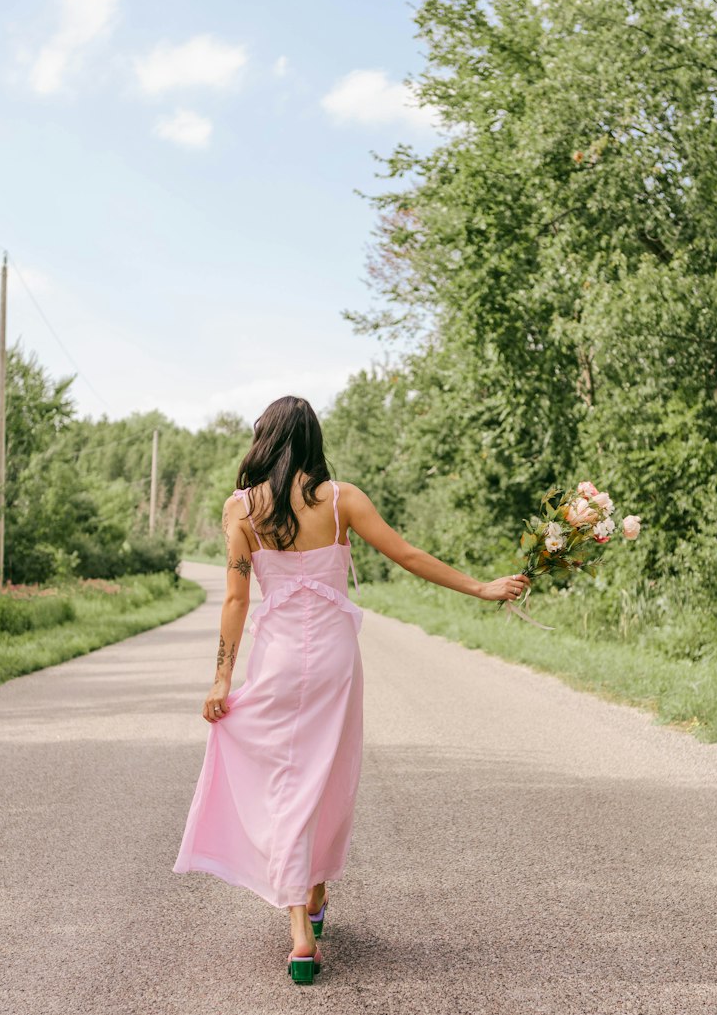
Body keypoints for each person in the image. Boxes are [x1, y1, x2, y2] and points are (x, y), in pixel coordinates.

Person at [172, 396, 530, 984]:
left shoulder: (241, 508)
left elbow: (236, 598)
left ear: (264, 438)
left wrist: (221, 678)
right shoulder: (341, 500)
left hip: (280, 659)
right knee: (328, 775)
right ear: (314, 440)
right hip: (336, 659)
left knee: (285, 780)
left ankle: (300, 931)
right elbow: (408, 556)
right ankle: (313, 894)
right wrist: (481, 588)